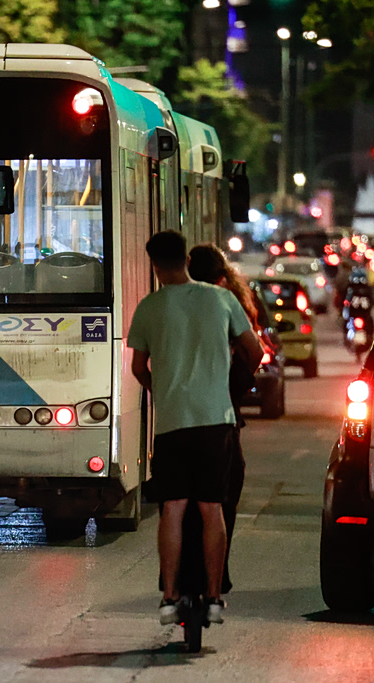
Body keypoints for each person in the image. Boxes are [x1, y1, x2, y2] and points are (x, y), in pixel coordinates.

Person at [128, 231, 263, 626]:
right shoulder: (221, 299)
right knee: (211, 507)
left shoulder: (149, 307)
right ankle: (215, 596)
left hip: (172, 423)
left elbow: (138, 367)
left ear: (155, 266)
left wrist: (161, 390)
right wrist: (225, 383)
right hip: (216, 421)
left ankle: (169, 597)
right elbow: (255, 351)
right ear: (186, 260)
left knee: (172, 508)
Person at [187, 243, 265, 594]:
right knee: (222, 500)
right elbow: (256, 352)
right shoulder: (229, 302)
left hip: (183, 417)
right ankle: (217, 576)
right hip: (224, 417)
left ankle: (181, 580)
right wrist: (238, 384)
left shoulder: (175, 303)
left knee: (180, 505)